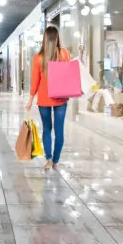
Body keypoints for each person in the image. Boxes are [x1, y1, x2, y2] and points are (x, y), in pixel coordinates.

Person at [25, 26, 70, 171]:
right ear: (57, 38)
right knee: (59, 131)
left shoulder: (38, 57)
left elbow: (35, 80)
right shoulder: (64, 54)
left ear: (44, 39)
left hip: (44, 99)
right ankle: (56, 160)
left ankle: (49, 159)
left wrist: (31, 99)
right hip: (61, 98)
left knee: (46, 129)